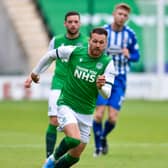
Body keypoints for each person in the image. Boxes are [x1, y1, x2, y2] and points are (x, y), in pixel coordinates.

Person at [27, 28, 116, 168]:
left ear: (105, 44)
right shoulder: (74, 51)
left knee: (75, 156)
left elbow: (107, 93)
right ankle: (51, 159)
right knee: (74, 139)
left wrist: (101, 87)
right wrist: (35, 72)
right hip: (66, 104)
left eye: (101, 42)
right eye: (95, 41)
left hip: (86, 112)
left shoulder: (108, 63)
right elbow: (50, 55)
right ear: (89, 41)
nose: (97, 45)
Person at [24, 11, 88, 158]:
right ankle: (49, 157)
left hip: (77, 88)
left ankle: (65, 157)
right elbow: (48, 58)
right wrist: (34, 74)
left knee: (75, 129)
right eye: (70, 22)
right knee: (53, 119)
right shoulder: (56, 40)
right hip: (58, 83)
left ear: (80, 23)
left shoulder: (87, 42)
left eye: (75, 21)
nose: (73, 24)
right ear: (65, 23)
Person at [93, 3, 140, 156]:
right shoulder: (103, 32)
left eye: (125, 15)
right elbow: (92, 50)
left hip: (119, 80)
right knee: (99, 114)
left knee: (112, 118)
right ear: (114, 14)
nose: (122, 17)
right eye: (120, 14)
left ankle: (103, 136)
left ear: (127, 18)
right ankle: (98, 147)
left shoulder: (130, 34)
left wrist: (129, 55)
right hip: (104, 77)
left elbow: (136, 56)